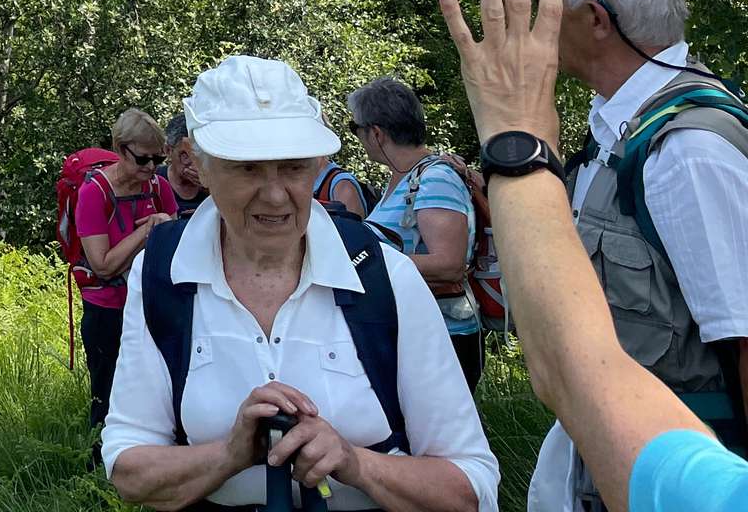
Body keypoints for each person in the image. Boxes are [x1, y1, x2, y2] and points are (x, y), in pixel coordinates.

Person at [104, 55, 497, 512]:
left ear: (318, 165)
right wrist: (230, 454)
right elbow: (129, 469)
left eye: (293, 167)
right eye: (247, 168)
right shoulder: (162, 272)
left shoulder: (385, 276)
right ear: (198, 165)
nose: (275, 195)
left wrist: (354, 463)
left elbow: (470, 486)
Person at [440, 0, 748, 512]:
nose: (537, 20)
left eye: (549, 3)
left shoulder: (688, 150)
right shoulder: (619, 130)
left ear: (596, 20)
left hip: (681, 480)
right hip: (623, 472)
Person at [348, 76, 485, 393]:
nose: (358, 138)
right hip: (415, 332)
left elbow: (449, 264)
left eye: (356, 128)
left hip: (443, 338)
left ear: (377, 133)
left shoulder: (436, 178)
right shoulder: (405, 178)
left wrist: (365, 261)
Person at [77, 107, 180, 449]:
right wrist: (148, 231)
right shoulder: (93, 194)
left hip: (151, 303)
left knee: (157, 387)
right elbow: (103, 265)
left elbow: (175, 248)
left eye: (158, 159)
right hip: (106, 309)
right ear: (121, 150)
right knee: (106, 393)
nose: (151, 167)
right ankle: (98, 464)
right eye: (143, 159)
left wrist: (163, 227)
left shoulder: (158, 187)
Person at [164, 112, 210, 217]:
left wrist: (210, 188)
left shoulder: (215, 181)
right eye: (185, 155)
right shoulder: (154, 183)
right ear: (168, 150)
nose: (194, 163)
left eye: (199, 154)